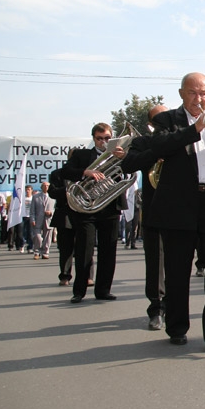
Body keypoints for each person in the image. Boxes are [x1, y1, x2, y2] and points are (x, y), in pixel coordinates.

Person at [142, 72, 205, 353]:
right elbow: (159, 147)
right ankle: (177, 327)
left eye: (204, 93)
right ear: (181, 93)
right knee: (177, 271)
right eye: (193, 93)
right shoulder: (167, 120)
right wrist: (196, 128)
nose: (199, 98)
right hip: (179, 204)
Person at [60, 123, 126, 304]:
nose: (103, 142)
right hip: (87, 209)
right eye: (99, 138)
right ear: (94, 138)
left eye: (107, 138)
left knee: (108, 251)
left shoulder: (119, 155)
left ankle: (103, 290)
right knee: (84, 250)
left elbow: (130, 171)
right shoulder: (82, 155)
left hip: (110, 207)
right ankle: (79, 291)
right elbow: (64, 171)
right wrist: (85, 172)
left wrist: (123, 158)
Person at [121, 103, 170, 329]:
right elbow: (129, 163)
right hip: (153, 209)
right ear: (151, 124)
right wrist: (157, 152)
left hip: (181, 208)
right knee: (155, 261)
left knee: (178, 262)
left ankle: (174, 305)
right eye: (159, 119)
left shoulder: (182, 138)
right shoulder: (142, 143)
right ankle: (156, 308)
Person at [47, 167, 76, 286]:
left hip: (85, 214)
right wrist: (71, 188)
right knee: (65, 248)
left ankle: (87, 276)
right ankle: (65, 275)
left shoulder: (90, 171)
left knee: (86, 248)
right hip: (64, 215)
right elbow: (52, 192)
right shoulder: (57, 174)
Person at [30, 181, 55, 260]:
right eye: (44, 185)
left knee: (47, 237)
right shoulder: (36, 197)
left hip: (48, 219)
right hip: (38, 219)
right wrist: (32, 219)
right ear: (41, 187)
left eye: (47, 186)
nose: (46, 187)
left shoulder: (53, 197)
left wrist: (51, 213)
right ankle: (37, 252)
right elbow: (32, 210)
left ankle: (45, 252)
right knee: (37, 237)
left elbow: (56, 208)